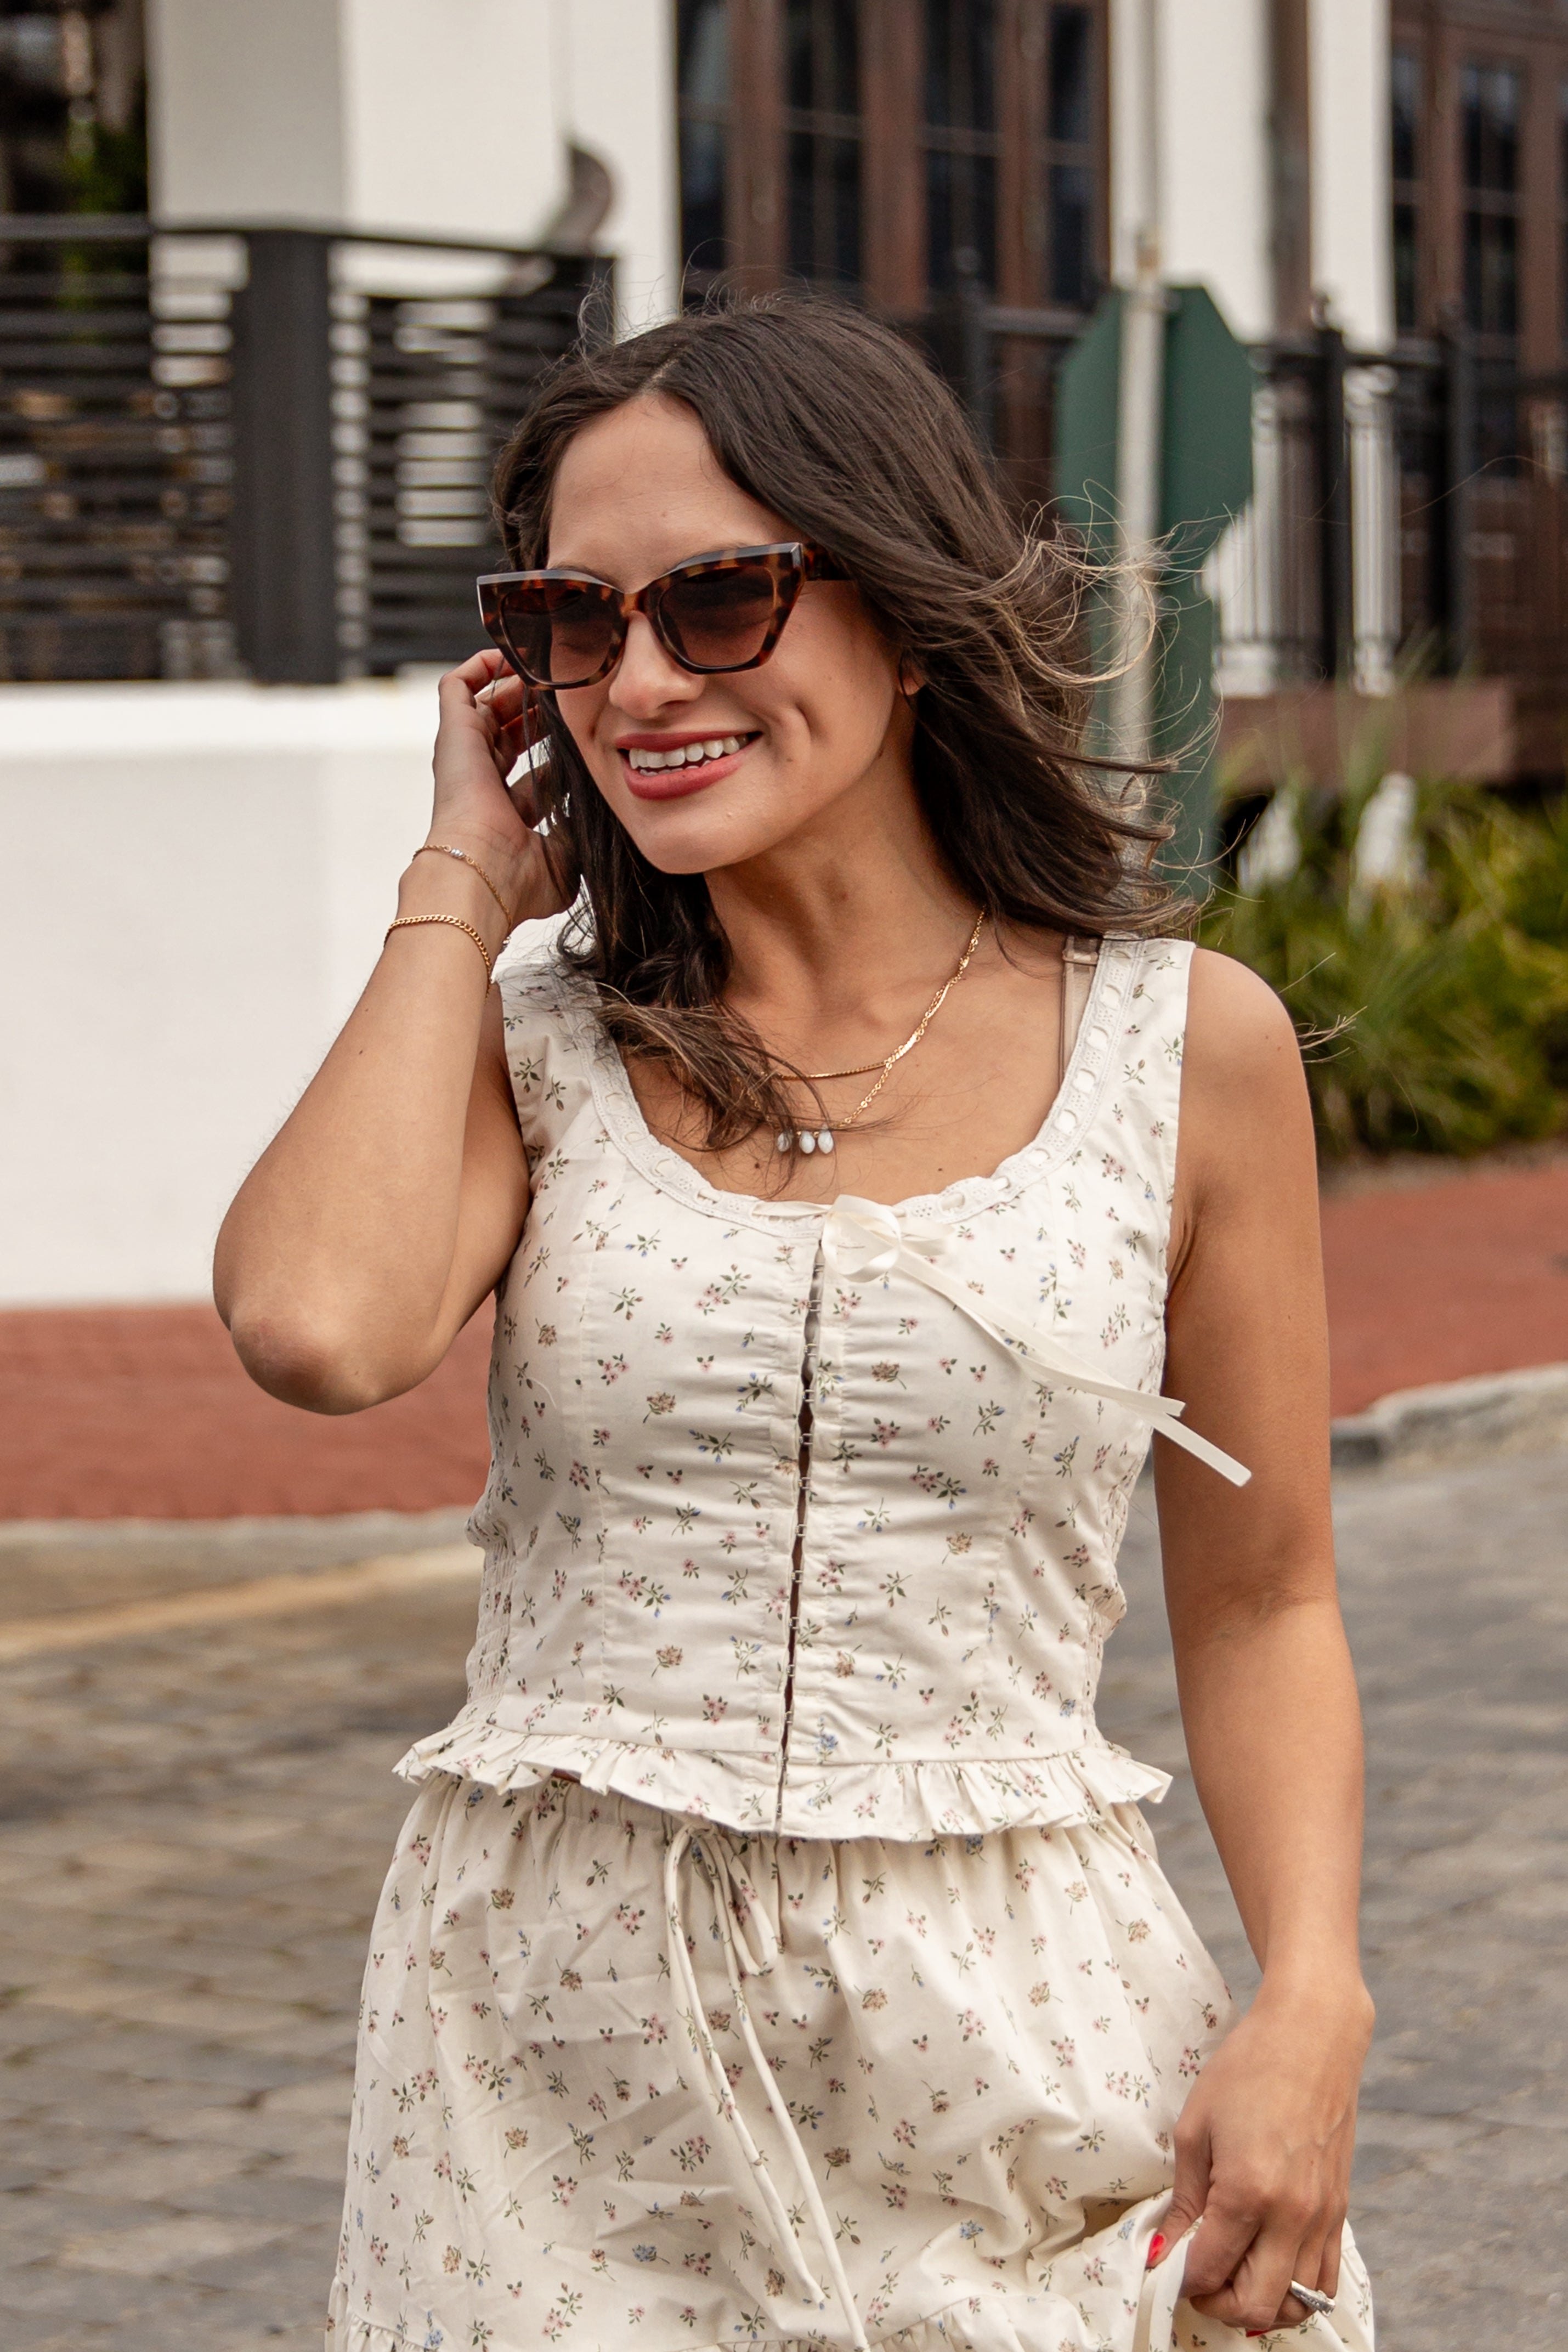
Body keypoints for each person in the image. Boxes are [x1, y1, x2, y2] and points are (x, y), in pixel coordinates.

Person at [215, 295, 1375, 2352]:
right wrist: (461, 881)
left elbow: (1265, 1595)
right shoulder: (537, 1050)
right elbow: (317, 1325)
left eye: (721, 598)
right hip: (555, 2091)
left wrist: (1311, 1995)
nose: (641, 678)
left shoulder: (1185, 1050)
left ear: (905, 611)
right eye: (577, 620)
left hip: (1009, 2043)